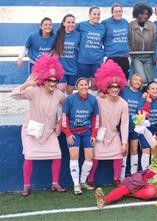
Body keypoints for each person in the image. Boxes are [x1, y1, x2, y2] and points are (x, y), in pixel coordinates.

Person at [11, 54, 66, 196]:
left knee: (57, 154)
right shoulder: (34, 91)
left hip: (49, 132)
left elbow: (68, 106)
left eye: (55, 80)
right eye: (49, 80)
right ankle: (26, 186)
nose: (53, 83)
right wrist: (26, 84)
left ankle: (55, 184)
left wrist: (59, 122)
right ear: (44, 80)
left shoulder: (59, 94)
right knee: (29, 156)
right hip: (32, 131)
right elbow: (14, 95)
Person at [87, 60, 129, 187]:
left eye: (117, 87)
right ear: (107, 87)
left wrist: (124, 143)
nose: (115, 89)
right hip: (99, 134)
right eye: (112, 87)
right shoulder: (98, 100)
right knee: (95, 156)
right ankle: (90, 178)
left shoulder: (123, 103)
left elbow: (124, 124)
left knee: (118, 154)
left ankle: (117, 178)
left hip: (113, 133)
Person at [62, 77, 99, 195]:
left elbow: (95, 118)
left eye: (86, 84)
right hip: (73, 132)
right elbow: (64, 117)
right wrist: (67, 133)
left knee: (89, 157)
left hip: (87, 132)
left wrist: (94, 134)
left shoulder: (93, 99)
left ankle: (83, 182)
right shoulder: (70, 99)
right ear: (77, 87)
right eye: (81, 85)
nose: (84, 87)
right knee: (74, 156)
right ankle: (76, 184)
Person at [138, 81, 157, 170]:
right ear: (148, 90)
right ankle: (145, 173)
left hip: (155, 129)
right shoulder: (143, 99)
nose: (155, 90)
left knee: (155, 150)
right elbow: (142, 117)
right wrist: (148, 103)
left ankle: (154, 173)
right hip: (144, 129)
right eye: (152, 89)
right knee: (146, 150)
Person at [120, 73, 143, 178]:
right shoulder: (123, 91)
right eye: (136, 79)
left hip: (135, 127)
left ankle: (134, 177)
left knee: (134, 150)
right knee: (125, 151)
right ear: (130, 81)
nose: (138, 82)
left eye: (140, 80)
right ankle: (122, 177)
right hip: (124, 125)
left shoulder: (141, 95)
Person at [77, 7, 105, 90]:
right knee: (83, 86)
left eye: (98, 14)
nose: (96, 16)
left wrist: (103, 53)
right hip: (83, 60)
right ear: (89, 15)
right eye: (94, 14)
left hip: (97, 61)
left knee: (95, 85)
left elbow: (106, 41)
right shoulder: (81, 25)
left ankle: (93, 102)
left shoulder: (102, 27)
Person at [129, 2, 156, 84]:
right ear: (136, 14)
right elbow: (128, 41)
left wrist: (154, 57)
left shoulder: (152, 26)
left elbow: (155, 42)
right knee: (142, 79)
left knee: (150, 80)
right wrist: (130, 56)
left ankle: (147, 96)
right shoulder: (131, 25)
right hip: (136, 57)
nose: (144, 16)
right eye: (141, 13)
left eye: (146, 14)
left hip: (149, 56)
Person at [102, 3, 130, 79]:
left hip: (124, 57)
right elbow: (99, 37)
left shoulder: (125, 22)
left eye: (119, 11)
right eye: (116, 11)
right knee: (110, 82)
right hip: (111, 57)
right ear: (112, 13)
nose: (118, 13)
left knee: (123, 81)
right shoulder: (105, 23)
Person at [54, 14, 80, 94]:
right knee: (61, 88)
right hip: (61, 68)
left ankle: (67, 106)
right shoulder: (58, 35)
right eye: (68, 22)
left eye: (73, 22)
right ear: (64, 23)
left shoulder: (78, 35)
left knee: (70, 91)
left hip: (73, 68)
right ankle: (58, 106)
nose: (71, 24)